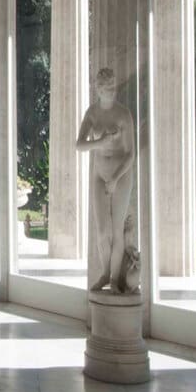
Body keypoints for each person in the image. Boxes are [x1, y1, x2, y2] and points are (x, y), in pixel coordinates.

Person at [76, 68, 136, 292]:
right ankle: (104, 272)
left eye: (113, 87)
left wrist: (116, 179)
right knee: (103, 231)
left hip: (121, 175)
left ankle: (113, 279)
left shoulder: (123, 114)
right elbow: (79, 145)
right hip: (100, 174)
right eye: (106, 88)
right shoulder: (92, 113)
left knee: (117, 229)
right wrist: (99, 142)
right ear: (98, 89)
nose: (111, 91)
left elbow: (131, 154)